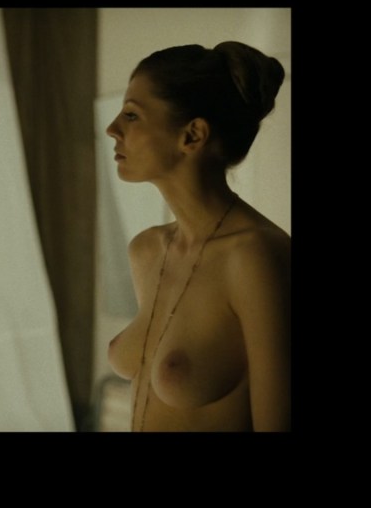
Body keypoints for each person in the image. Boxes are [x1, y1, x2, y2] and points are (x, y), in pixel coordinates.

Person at [105, 41, 290, 432]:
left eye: (132, 115)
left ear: (192, 135)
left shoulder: (255, 256)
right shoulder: (147, 251)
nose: (112, 129)